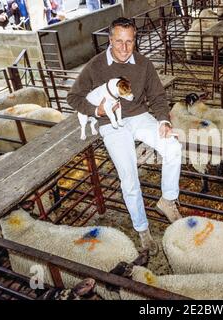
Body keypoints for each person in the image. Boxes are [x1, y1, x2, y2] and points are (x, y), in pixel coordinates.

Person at [67, 17, 183, 256]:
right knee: (129, 177)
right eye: (118, 41)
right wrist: (95, 110)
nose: (123, 47)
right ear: (110, 40)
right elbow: (74, 97)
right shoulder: (95, 66)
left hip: (139, 115)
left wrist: (163, 120)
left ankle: (167, 200)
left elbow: (158, 96)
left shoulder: (143, 64)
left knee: (173, 147)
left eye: (129, 42)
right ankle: (142, 229)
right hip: (110, 122)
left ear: (135, 40)